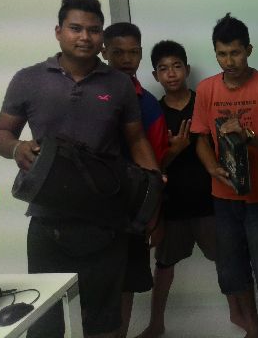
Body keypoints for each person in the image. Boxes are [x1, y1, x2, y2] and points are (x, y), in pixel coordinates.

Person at [0, 0, 160, 338]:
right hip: (48, 220)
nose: (85, 37)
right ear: (58, 32)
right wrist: (16, 147)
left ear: (102, 38)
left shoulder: (119, 84)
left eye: (93, 30)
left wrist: (154, 187)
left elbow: (136, 140)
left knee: (104, 323)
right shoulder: (29, 79)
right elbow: (0, 135)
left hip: (106, 220)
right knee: (46, 323)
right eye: (75, 28)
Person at [190, 14, 258, 338]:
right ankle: (253, 329)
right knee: (232, 272)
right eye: (221, 54)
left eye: (235, 53)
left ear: (249, 49)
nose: (229, 61)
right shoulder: (206, 89)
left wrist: (248, 136)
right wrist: (210, 167)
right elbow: (200, 138)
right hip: (223, 198)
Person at [135, 40, 242, 338]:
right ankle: (156, 323)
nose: (171, 74)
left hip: (211, 201)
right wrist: (174, 150)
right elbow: (150, 165)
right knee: (164, 267)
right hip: (172, 205)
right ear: (155, 75)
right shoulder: (153, 113)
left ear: (187, 69)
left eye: (177, 66)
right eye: (163, 69)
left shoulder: (204, 103)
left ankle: (237, 313)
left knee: (227, 262)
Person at [101, 22, 169, 338]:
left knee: (125, 285)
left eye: (134, 52)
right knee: (92, 286)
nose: (127, 60)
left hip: (130, 213)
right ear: (104, 52)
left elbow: (156, 166)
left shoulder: (149, 105)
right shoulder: (87, 95)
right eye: (118, 52)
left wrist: (154, 215)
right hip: (89, 210)